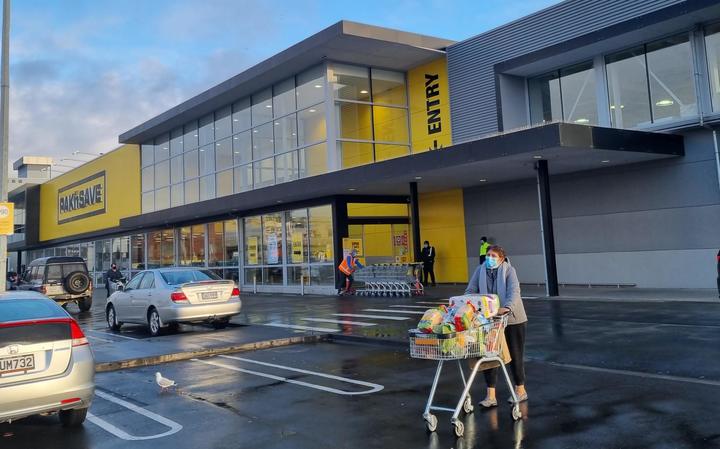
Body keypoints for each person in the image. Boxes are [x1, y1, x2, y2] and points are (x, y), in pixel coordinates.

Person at [464, 245, 528, 407]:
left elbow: (514, 291)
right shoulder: (480, 270)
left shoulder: (509, 270)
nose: (489, 258)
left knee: (515, 354)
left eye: (493, 255)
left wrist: (506, 308)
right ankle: (490, 396)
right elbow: (471, 289)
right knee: (488, 355)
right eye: (488, 255)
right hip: (490, 321)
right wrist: (466, 303)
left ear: (501, 258)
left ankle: (520, 390)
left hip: (512, 318)